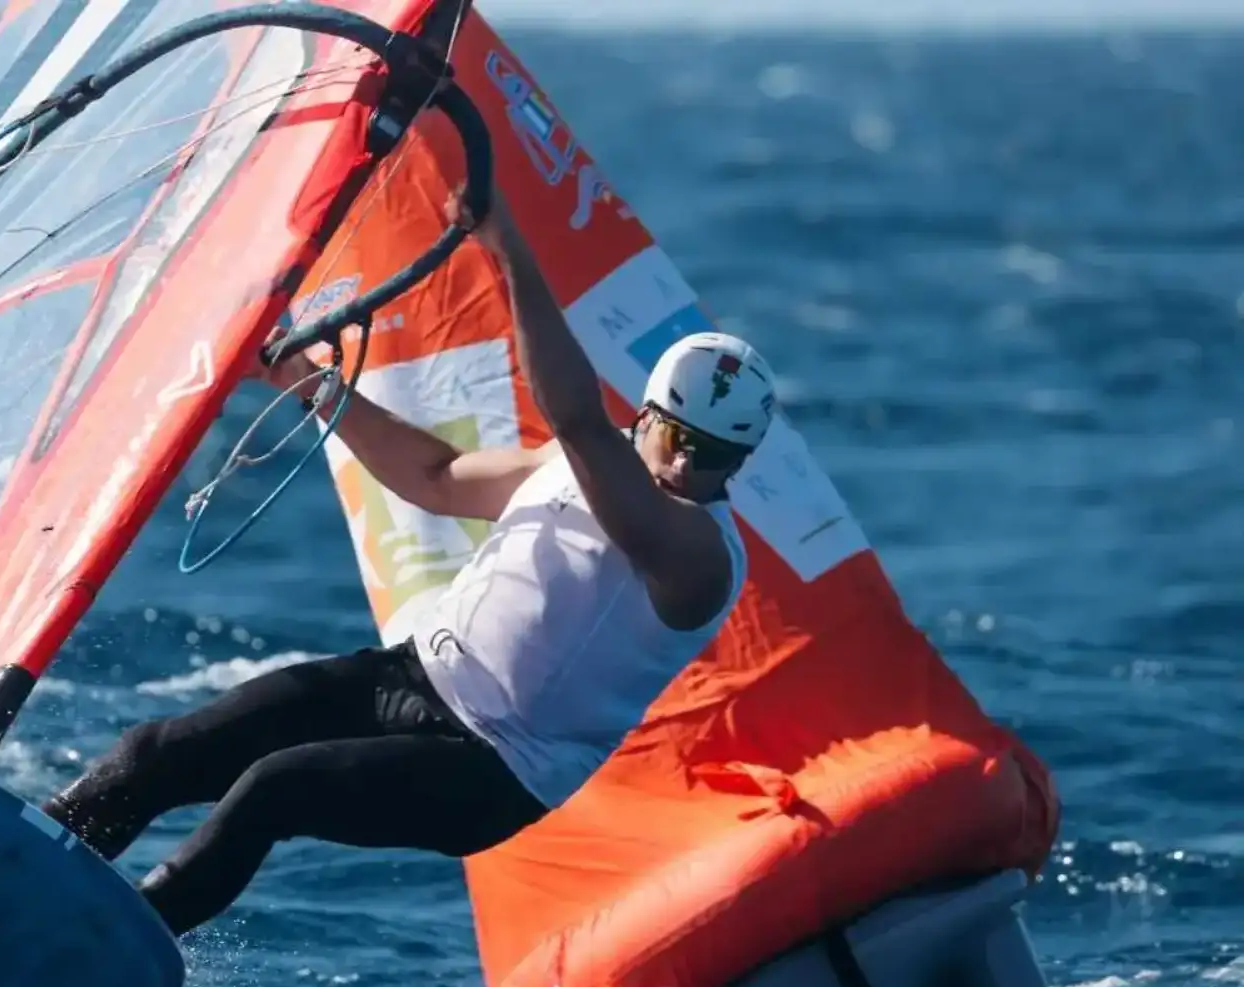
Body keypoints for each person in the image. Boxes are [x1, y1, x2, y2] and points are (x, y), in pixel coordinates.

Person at [41, 189, 779, 938]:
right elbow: (434, 476)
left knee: (273, 788)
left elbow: (578, 419)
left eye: (714, 456)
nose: (689, 464)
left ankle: (96, 949)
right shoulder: (574, 461)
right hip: (409, 678)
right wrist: (308, 381)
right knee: (155, 752)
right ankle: (5, 875)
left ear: (742, 460)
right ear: (648, 416)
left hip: (492, 770)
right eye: (679, 439)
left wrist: (507, 245)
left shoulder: (699, 558)